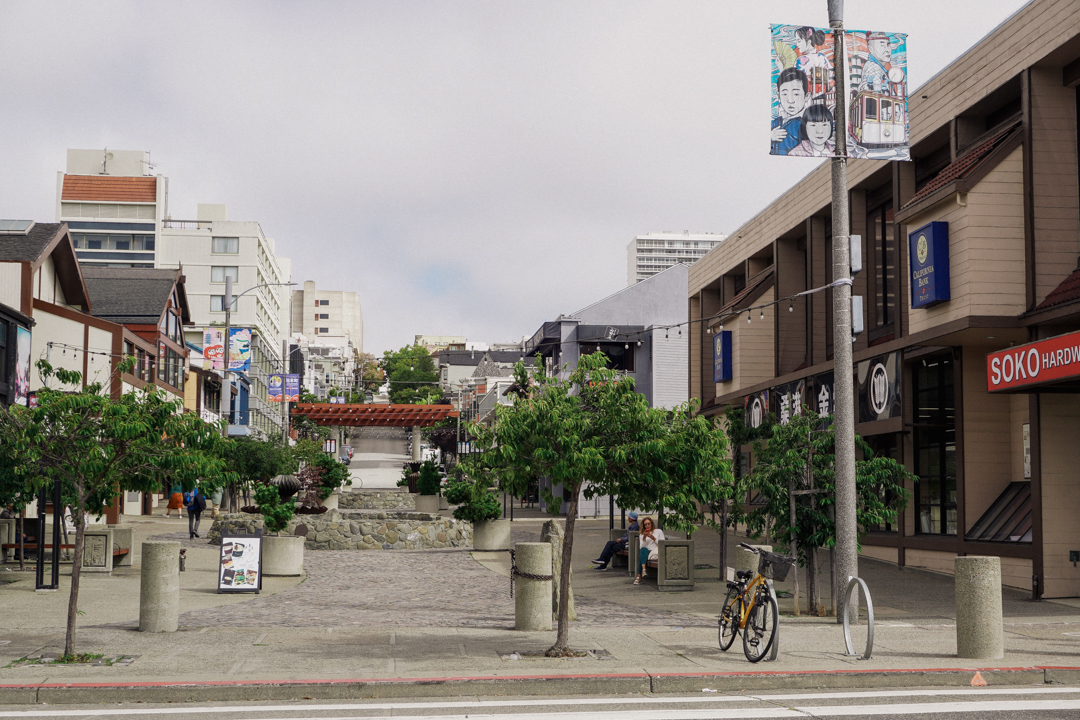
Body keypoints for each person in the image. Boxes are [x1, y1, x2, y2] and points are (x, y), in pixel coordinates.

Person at [771, 68, 809, 156]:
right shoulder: (776, 123)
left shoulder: (808, 123)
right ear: (778, 95)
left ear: (806, 96)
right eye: (784, 94)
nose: (790, 100)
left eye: (796, 94)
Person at [634, 516, 665, 585]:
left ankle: (639, 576)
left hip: (655, 551)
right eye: (645, 524)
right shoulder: (642, 534)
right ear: (643, 526)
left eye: (649, 523)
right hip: (646, 551)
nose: (647, 526)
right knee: (643, 550)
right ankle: (644, 570)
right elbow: (642, 546)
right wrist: (644, 538)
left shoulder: (658, 531)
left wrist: (653, 538)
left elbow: (662, 544)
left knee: (642, 558)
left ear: (652, 523)